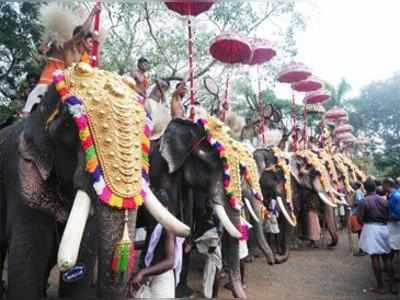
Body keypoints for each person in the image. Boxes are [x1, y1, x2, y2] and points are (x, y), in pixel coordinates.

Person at [22, 3, 101, 116]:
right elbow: (83, 32)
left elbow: (95, 67)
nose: (90, 44)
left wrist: (97, 46)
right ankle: (24, 121)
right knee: (32, 99)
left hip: (66, 88)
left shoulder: (83, 57)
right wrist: (92, 13)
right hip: (48, 83)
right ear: (80, 39)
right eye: (87, 40)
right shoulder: (68, 46)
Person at [128, 191, 184, 298]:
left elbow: (170, 261)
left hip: (162, 278)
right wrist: (132, 246)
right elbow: (151, 244)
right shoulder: (155, 223)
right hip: (150, 275)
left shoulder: (168, 227)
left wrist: (142, 273)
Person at [357, 178, 394, 294]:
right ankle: (392, 286)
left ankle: (380, 286)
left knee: (375, 257)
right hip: (384, 228)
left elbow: (359, 218)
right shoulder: (384, 201)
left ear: (365, 188)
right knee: (387, 257)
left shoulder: (364, 201)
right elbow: (389, 215)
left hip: (371, 228)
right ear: (376, 187)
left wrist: (366, 223)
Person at [384, 177, 400, 291]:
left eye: (384, 185)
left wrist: (386, 218)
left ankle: (393, 284)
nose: (382, 187)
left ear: (388, 184)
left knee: (389, 256)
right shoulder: (392, 195)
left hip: (395, 228)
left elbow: (398, 215)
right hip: (395, 228)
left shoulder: (396, 196)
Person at [349, 181, 365, 256]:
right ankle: (363, 249)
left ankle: (362, 250)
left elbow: (359, 201)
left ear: (356, 186)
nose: (352, 185)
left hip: (356, 213)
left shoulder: (357, 192)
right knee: (360, 232)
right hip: (358, 213)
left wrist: (351, 204)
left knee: (359, 233)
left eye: (354, 184)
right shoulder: (359, 192)